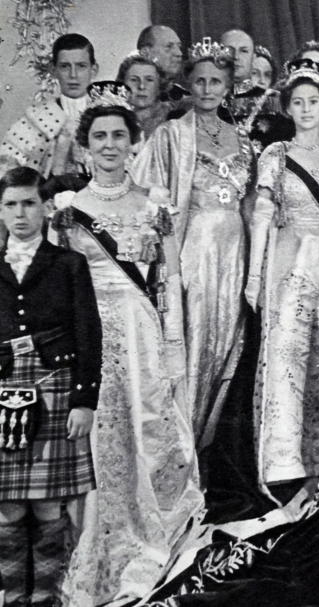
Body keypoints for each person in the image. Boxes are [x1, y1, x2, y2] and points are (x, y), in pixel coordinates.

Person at [54, 82, 203, 605]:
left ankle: (150, 529)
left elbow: (169, 281)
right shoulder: (69, 208)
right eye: (100, 136)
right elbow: (56, 285)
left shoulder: (154, 203)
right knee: (99, 440)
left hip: (141, 334)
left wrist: (173, 345)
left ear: (134, 141)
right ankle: (97, 538)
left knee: (148, 428)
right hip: (90, 335)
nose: (110, 145)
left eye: (119, 134)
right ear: (84, 145)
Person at [245, 59, 319, 501]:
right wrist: (255, 277)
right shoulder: (275, 155)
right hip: (289, 259)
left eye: (314, 101)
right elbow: (262, 215)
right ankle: (285, 462)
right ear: (288, 109)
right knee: (289, 353)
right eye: (299, 102)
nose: (307, 109)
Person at [132, 38, 251, 452]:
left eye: (215, 81)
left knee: (228, 346)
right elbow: (149, 195)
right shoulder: (170, 135)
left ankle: (207, 450)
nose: (206, 89)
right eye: (199, 81)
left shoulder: (244, 139)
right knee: (195, 342)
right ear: (188, 84)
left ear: (228, 86)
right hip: (194, 250)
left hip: (236, 252)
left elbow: (252, 206)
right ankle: (180, 450)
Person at [0, 166, 101, 607]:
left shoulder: (69, 264)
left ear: (45, 208)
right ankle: (12, 597)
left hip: (55, 388)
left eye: (28, 203)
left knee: (46, 506)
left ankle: (44, 598)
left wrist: (84, 401)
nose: (20, 214)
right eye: (10, 204)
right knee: (7, 509)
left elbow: (88, 333)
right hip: (3, 391)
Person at [0, 33, 98, 177]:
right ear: (53, 70)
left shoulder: (108, 113)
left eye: (81, 66)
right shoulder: (35, 118)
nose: (73, 74)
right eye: (65, 66)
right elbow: (6, 169)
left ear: (93, 70)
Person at [117, 53, 172, 142]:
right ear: (122, 84)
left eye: (149, 80)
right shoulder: (113, 118)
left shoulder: (173, 119)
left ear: (160, 85)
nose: (141, 86)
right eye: (134, 80)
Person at [137, 25, 185, 100]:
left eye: (179, 47)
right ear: (145, 53)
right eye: (169, 46)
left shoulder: (183, 97)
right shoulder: (125, 97)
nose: (179, 53)